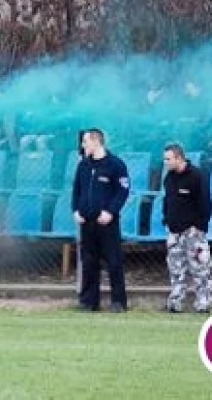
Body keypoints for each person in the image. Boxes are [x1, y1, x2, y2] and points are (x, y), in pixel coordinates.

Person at [71, 128, 130, 313]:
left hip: (107, 223)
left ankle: (118, 302)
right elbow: (76, 190)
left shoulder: (116, 164)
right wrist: (76, 210)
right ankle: (89, 301)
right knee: (88, 262)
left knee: (114, 262)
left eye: (85, 141)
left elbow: (122, 191)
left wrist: (111, 211)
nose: (83, 145)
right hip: (86, 222)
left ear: (96, 141)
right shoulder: (83, 165)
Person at [162, 143, 212, 313]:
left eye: (168, 159)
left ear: (179, 158)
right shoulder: (169, 178)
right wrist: (167, 220)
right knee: (175, 267)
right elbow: (167, 201)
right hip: (173, 230)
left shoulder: (197, 176)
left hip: (193, 231)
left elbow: (205, 203)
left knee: (200, 267)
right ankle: (175, 302)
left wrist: (199, 226)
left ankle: (203, 303)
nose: (166, 162)